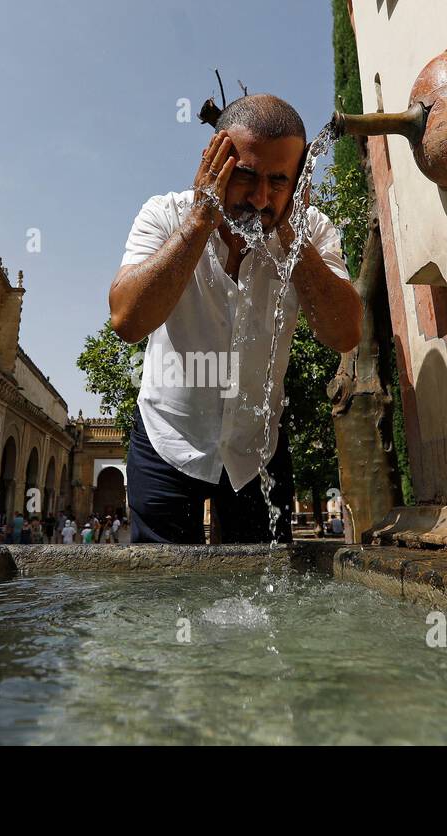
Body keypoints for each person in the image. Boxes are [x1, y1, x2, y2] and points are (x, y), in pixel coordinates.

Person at [109, 95, 361, 545]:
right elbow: (127, 319)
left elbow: (344, 332)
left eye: (279, 181)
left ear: (299, 179)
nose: (261, 198)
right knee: (162, 596)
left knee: (265, 602)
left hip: (258, 449)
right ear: (214, 162)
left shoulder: (312, 230)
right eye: (245, 176)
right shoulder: (165, 215)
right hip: (167, 437)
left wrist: (291, 233)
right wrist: (202, 217)